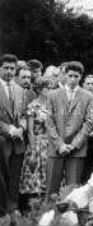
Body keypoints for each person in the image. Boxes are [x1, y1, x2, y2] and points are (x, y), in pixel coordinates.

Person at [45, 61, 93, 197]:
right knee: (51, 189)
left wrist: (74, 145)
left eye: (76, 76)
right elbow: (49, 122)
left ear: (81, 77)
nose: (73, 79)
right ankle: (47, 215)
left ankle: (70, 217)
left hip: (76, 150)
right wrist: (59, 144)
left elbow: (89, 123)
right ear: (65, 76)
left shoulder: (89, 97)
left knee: (73, 191)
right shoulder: (52, 95)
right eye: (70, 76)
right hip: (56, 149)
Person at [19, 77, 52, 212]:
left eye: (51, 88)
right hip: (37, 144)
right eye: (47, 88)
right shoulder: (33, 106)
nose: (50, 91)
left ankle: (47, 208)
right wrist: (33, 150)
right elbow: (30, 131)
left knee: (50, 177)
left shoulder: (51, 105)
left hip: (50, 144)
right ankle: (31, 211)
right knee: (35, 178)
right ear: (39, 89)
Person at [0, 54, 27, 212]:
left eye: (12, 68)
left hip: (17, 142)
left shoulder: (19, 89)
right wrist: (10, 129)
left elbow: (24, 114)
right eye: (6, 68)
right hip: (2, 140)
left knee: (15, 180)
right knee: (2, 180)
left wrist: (21, 128)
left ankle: (13, 213)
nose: (9, 71)